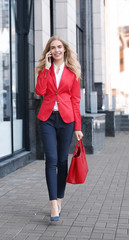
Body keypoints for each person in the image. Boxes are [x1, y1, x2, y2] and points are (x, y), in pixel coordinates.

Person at [35, 36, 83, 221]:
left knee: (63, 161)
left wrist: (78, 126)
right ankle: (53, 203)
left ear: (64, 49)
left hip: (67, 119)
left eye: (59, 47)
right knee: (52, 160)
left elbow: (76, 101)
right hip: (47, 118)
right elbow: (39, 91)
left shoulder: (73, 72)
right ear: (49, 51)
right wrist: (46, 70)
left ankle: (60, 197)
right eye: (52, 48)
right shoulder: (43, 70)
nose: (56, 50)